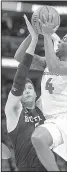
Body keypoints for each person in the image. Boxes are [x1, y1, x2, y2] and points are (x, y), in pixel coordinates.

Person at [14, 14, 67, 171]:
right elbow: (20, 57)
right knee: (37, 138)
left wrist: (47, 35)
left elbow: (56, 67)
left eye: (66, 39)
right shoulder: (47, 63)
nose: (61, 40)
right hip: (52, 121)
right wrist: (33, 34)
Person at [5, 23, 46, 171]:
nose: (27, 91)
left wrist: (48, 35)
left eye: (30, 88)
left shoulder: (43, 108)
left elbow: (53, 77)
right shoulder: (13, 112)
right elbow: (20, 76)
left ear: (36, 94)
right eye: (23, 90)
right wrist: (34, 39)